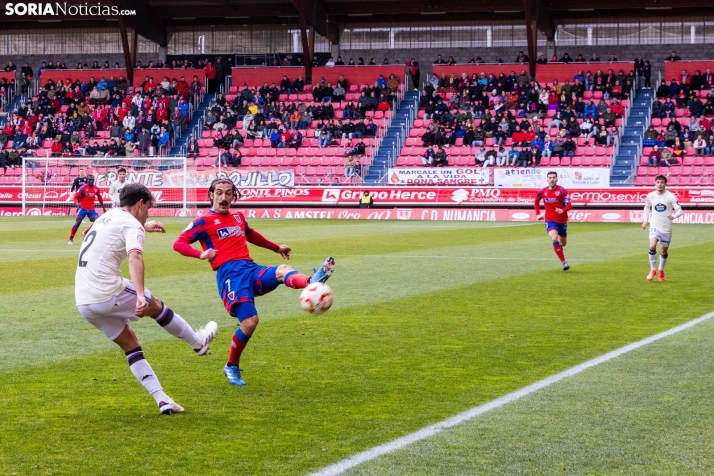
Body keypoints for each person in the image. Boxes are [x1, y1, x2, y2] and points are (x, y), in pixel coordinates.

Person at [172, 179, 334, 386]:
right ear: (211, 195)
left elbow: (251, 235)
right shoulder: (203, 220)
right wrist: (200, 254)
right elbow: (179, 243)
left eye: (228, 193)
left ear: (233, 196)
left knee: (282, 270)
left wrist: (277, 248)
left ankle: (312, 282)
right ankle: (231, 366)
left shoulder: (238, 216)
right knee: (250, 322)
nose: (224, 198)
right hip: (230, 276)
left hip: (250, 269)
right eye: (219, 193)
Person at [75, 183, 217, 415]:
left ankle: (163, 400)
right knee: (157, 306)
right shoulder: (131, 224)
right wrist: (140, 296)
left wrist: (143, 225)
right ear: (141, 203)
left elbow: (90, 232)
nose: (149, 212)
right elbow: (135, 257)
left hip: (84, 301)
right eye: (149, 207)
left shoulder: (108, 215)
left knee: (131, 345)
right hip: (107, 291)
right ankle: (198, 343)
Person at [642, 175, 683, 282]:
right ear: (655, 183)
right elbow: (647, 207)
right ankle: (652, 270)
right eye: (658, 182)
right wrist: (645, 220)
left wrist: (674, 216)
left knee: (663, 251)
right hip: (654, 224)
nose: (659, 184)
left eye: (662, 182)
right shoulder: (650, 196)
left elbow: (679, 210)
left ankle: (661, 270)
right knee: (652, 246)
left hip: (666, 226)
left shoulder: (670, 196)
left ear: (665, 184)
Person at [534, 171, 572, 271]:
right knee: (554, 238)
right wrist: (538, 214)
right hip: (550, 220)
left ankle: (559, 248)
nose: (552, 179)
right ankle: (564, 262)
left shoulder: (562, 190)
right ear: (547, 179)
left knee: (563, 243)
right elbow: (536, 201)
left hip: (562, 220)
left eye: (554, 177)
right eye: (550, 178)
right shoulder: (542, 191)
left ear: (557, 179)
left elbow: (569, 205)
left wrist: (562, 210)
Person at [68, 175, 106, 245]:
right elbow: (75, 196)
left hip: (91, 209)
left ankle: (85, 232)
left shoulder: (96, 189)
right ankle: (70, 239)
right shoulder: (83, 188)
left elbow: (100, 198)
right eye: (90, 180)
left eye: (92, 180)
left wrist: (103, 207)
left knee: (97, 222)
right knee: (78, 222)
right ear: (87, 180)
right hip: (83, 208)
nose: (91, 181)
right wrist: (76, 203)